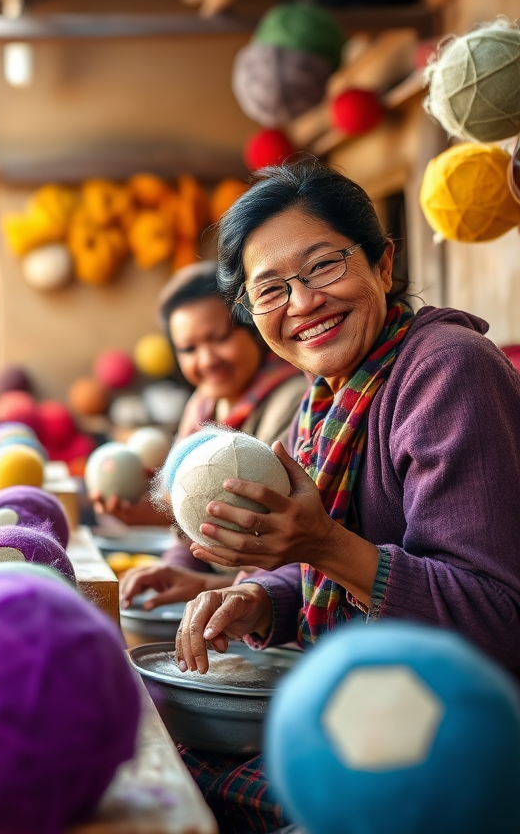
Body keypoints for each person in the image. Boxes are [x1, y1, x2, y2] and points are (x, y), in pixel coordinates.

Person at [175, 160, 520, 833]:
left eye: (324, 266)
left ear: (383, 266)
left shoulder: (448, 371)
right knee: (167, 749)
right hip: (381, 706)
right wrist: (260, 598)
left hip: (464, 738)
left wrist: (323, 546)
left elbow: (498, 619)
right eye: (270, 289)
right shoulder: (326, 397)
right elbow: (324, 566)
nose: (302, 303)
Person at [118, 261, 307, 610]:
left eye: (219, 338)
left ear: (253, 328)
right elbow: (188, 522)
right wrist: (175, 570)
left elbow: (285, 552)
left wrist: (212, 586)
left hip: (274, 609)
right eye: (188, 349)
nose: (206, 360)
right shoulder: (202, 404)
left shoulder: (293, 400)